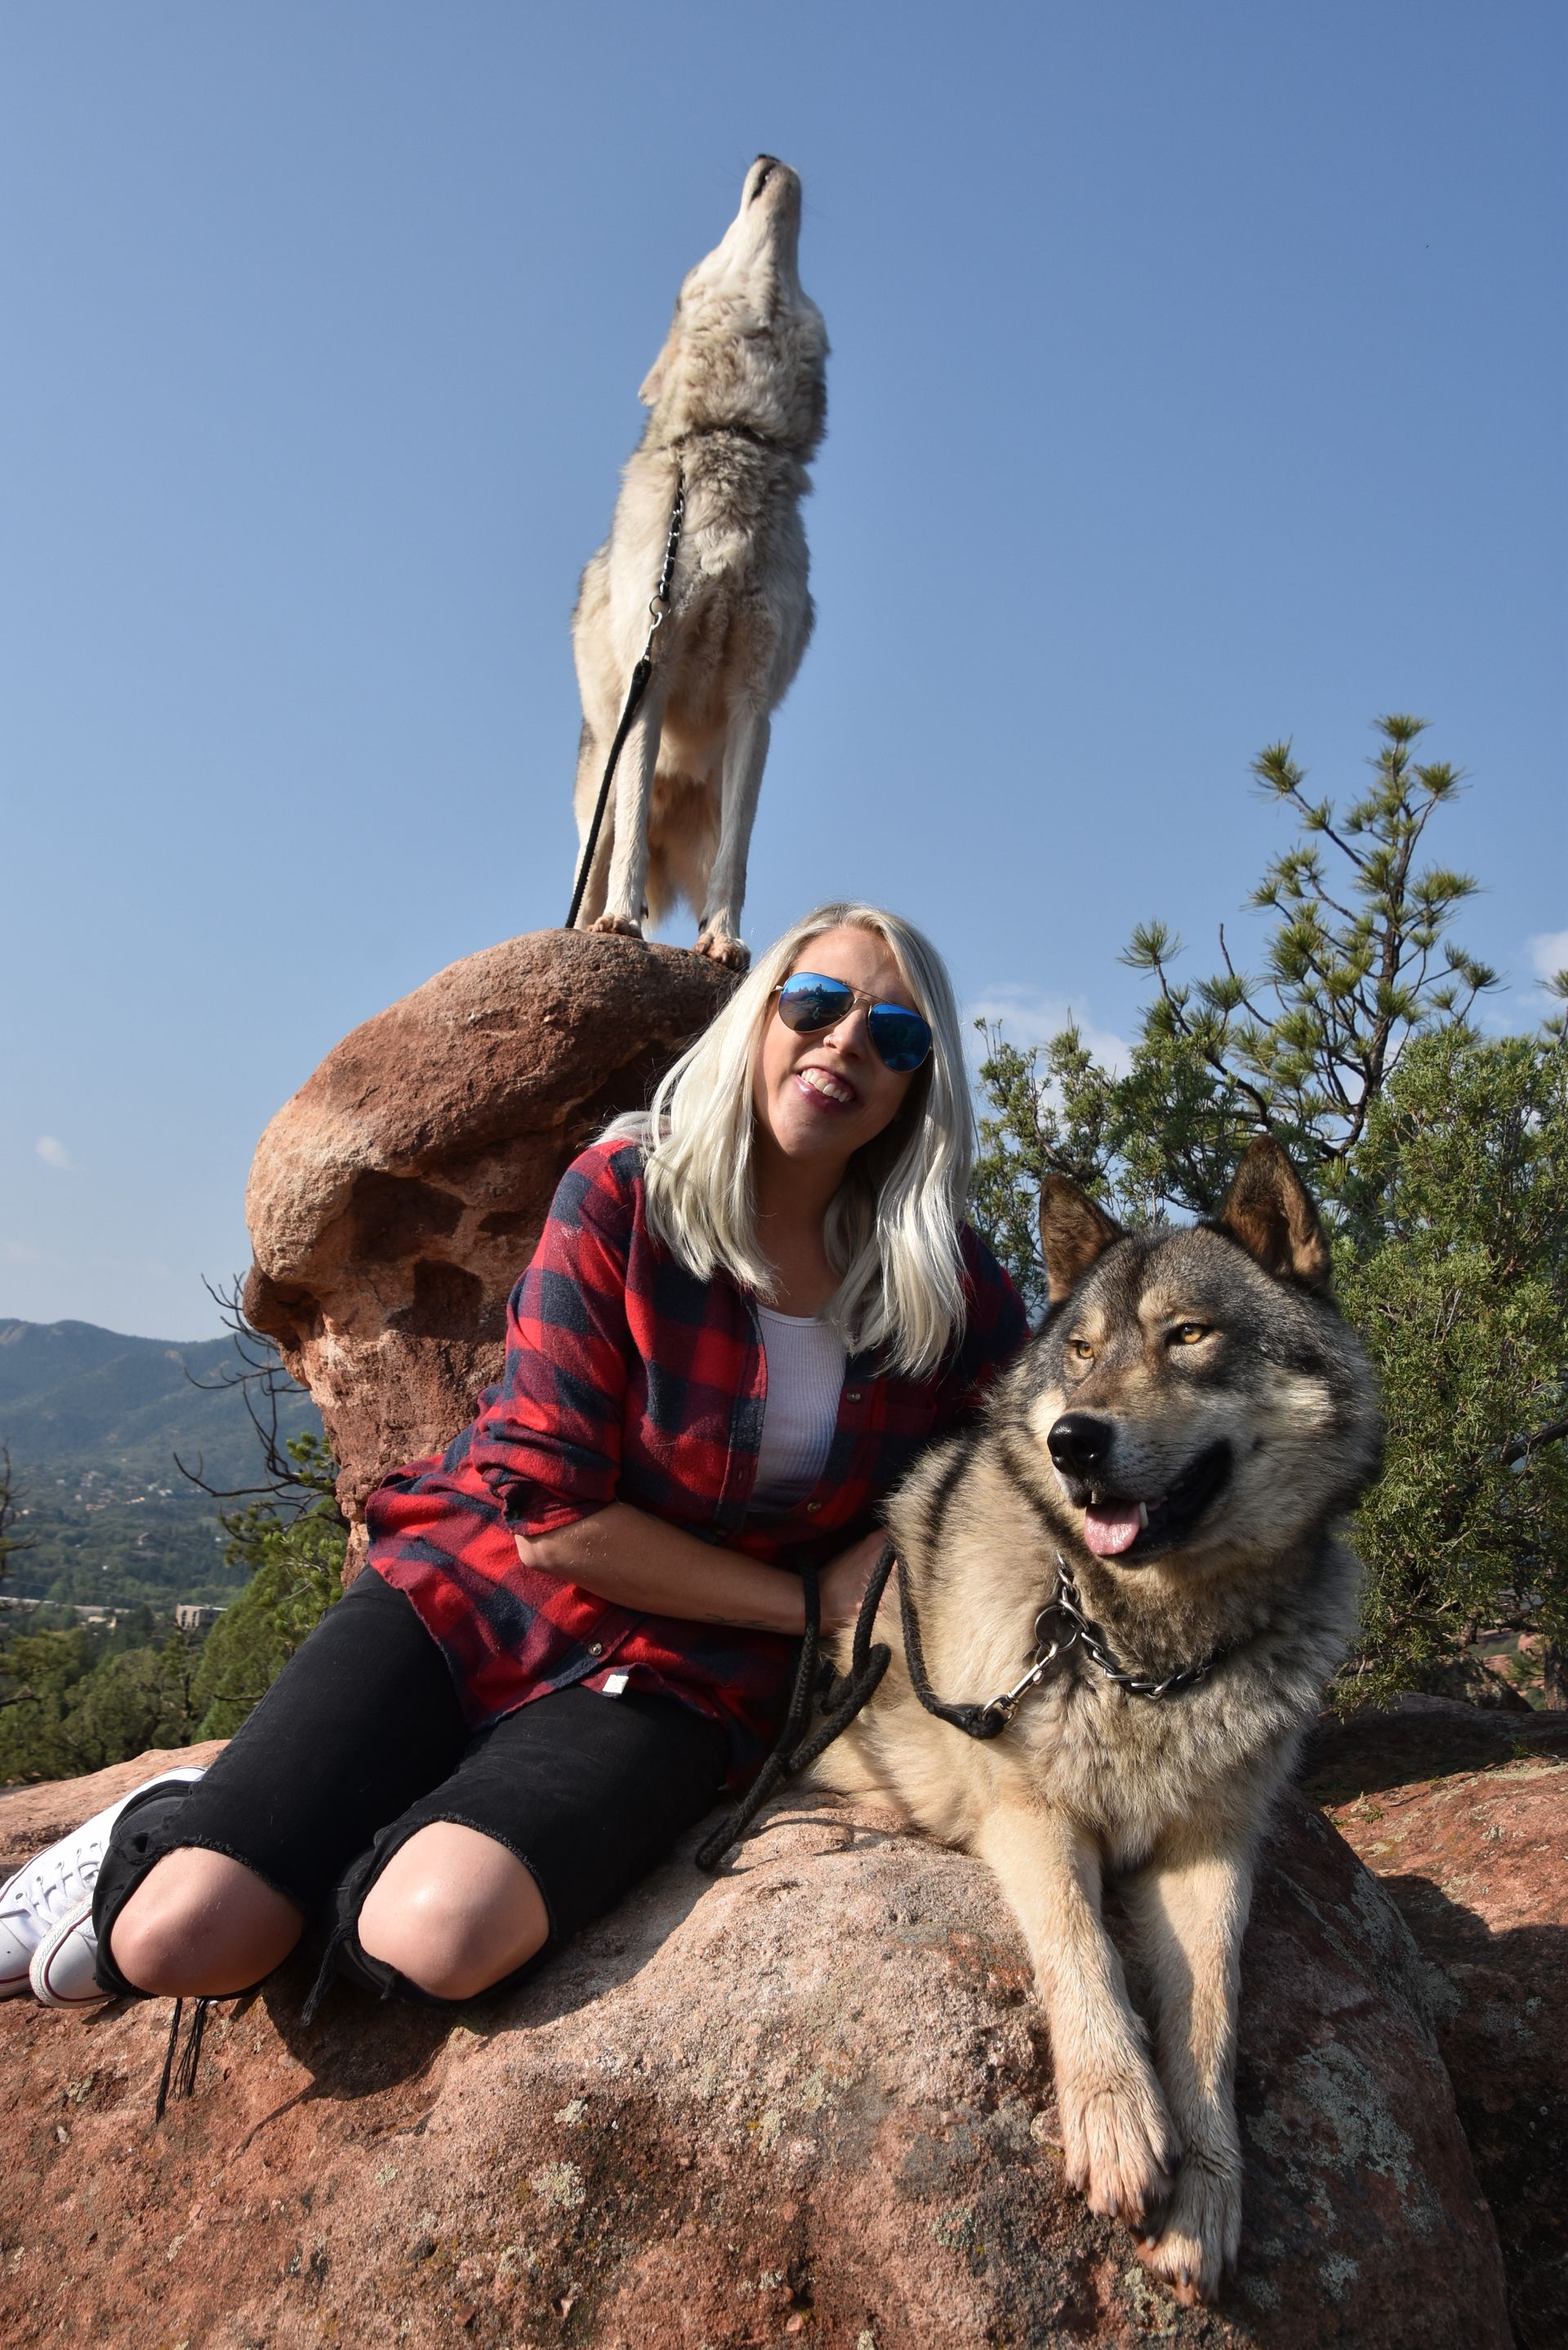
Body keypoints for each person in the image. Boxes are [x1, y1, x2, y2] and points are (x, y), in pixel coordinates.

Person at [0, 903, 1027, 2022]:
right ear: (762, 1016)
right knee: (183, 1930)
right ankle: (169, 1816)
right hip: (485, 1582)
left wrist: (896, 1554)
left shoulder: (948, 1286)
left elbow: (1015, 1458)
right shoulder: (627, 1192)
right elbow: (553, 1516)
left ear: (919, 1085)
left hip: (688, 1668)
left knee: (437, 1931)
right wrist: (813, 1602)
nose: (846, 1046)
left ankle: (373, 1833)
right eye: (818, 1005)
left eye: (895, 1036)